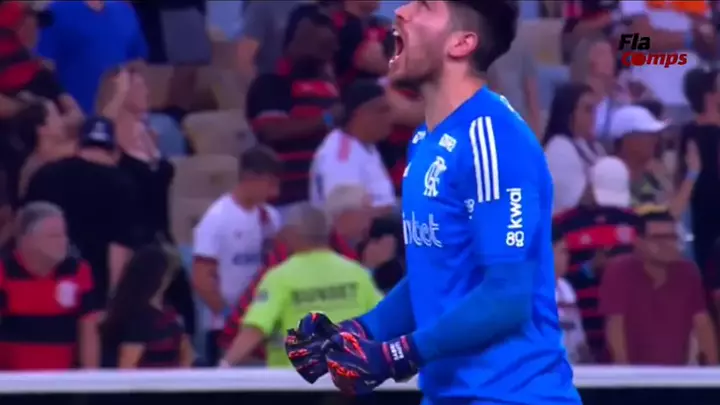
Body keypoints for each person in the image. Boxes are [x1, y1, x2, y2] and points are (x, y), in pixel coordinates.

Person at [286, 1, 580, 403]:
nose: (402, 11)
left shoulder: (493, 139)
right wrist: (358, 332)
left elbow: (508, 296)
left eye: (425, 6)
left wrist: (397, 355)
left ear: (461, 43)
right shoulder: (425, 141)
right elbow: (437, 273)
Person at [218, 184, 391, 355]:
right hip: (340, 369)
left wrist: (226, 365)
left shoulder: (281, 275)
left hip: (302, 369)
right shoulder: (356, 271)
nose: (370, 221)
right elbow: (385, 318)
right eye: (366, 212)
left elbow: (255, 327)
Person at [24, 116, 139, 302]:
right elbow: (118, 247)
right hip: (92, 288)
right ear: (115, 152)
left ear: (78, 145)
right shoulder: (123, 184)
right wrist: (113, 298)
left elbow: (25, 229)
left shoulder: (45, 174)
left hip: (41, 281)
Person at [191, 146, 282, 365]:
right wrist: (229, 317)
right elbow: (201, 279)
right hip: (225, 327)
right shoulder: (217, 219)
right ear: (250, 178)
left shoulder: (271, 218)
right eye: (270, 184)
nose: (275, 193)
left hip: (262, 322)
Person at [245, 6, 340, 211]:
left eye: (327, 47)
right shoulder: (270, 84)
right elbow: (271, 132)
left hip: (331, 195)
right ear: (291, 42)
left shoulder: (331, 88)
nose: (322, 55)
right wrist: (327, 120)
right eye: (315, 44)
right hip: (288, 198)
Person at [600, 208, 718, 365]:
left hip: (674, 372)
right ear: (639, 241)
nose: (668, 244)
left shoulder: (688, 272)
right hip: (629, 372)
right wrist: (623, 371)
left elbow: (702, 323)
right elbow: (615, 326)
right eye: (658, 238)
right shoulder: (619, 271)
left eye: (672, 238)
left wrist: (713, 370)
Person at [553, 156, 640, 362]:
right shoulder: (564, 224)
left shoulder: (636, 222)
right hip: (578, 316)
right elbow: (556, 269)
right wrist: (590, 268)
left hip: (626, 322)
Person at [0, 202, 100, 370]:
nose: (63, 242)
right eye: (54, 236)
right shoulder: (4, 272)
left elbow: (89, 331)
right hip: (12, 379)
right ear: (28, 239)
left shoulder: (78, 271)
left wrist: (90, 378)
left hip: (63, 379)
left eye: (64, 235)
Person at [37, 0, 148, 113]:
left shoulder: (124, 11)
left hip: (121, 116)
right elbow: (43, 65)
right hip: (78, 116)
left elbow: (137, 63)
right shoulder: (55, 12)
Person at [101, 245, 193, 368]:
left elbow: (187, 360)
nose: (169, 280)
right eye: (167, 275)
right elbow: (127, 369)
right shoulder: (136, 323)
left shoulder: (169, 318)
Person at [310, 80, 395, 211]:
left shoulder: (366, 144)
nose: (390, 118)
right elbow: (347, 216)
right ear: (360, 114)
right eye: (382, 111)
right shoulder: (340, 156)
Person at [609, 104, 698, 216]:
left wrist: (665, 180)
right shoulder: (610, 177)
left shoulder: (652, 176)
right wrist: (692, 174)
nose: (655, 140)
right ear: (627, 140)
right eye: (648, 134)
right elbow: (669, 216)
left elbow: (671, 208)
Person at [680, 68, 720, 274]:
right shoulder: (705, 132)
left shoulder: (689, 130)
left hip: (698, 211)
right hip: (706, 210)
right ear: (709, 96)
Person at [543, 82, 605, 213]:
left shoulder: (596, 148)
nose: (594, 116)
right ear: (569, 113)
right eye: (588, 110)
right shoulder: (559, 149)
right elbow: (577, 203)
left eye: (595, 110)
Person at [553, 226, 588, 364]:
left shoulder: (565, 288)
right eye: (563, 251)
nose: (568, 257)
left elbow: (579, 340)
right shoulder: (527, 293)